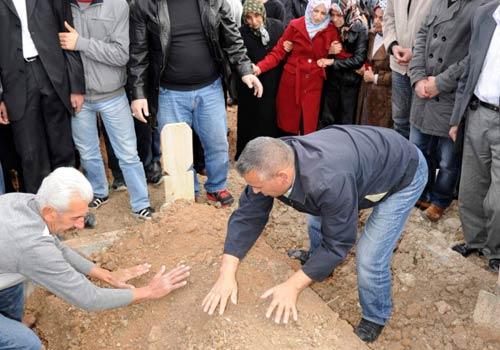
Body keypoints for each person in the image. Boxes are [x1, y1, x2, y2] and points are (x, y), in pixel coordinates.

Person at [202, 126, 427, 343]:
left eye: (259, 187)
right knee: (317, 217)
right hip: (358, 162)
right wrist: (226, 274)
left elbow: (339, 242)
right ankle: (318, 265)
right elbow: (247, 216)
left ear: (282, 177)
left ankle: (375, 315)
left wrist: (292, 286)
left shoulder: (326, 182)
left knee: (369, 255)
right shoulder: (275, 160)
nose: (256, 191)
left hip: (402, 171)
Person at [0, 167, 191, 349]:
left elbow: (56, 247)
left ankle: (11, 325)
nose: (81, 225)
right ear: (50, 213)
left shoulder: (29, 202)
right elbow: (89, 298)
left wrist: (106, 275)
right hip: (17, 257)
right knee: (27, 343)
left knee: (13, 283)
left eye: (83, 216)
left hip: (6, 269)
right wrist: (149, 291)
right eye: (75, 218)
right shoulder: (32, 248)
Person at [128, 0, 263, 208]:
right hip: (169, 92)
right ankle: (186, 193)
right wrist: (138, 94)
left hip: (209, 89)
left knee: (217, 143)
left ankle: (216, 187)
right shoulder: (145, 5)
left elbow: (232, 40)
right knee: (176, 150)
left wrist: (245, 70)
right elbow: (138, 52)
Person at [60, 0, 153, 219]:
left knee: (128, 153)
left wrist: (81, 43)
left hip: (113, 94)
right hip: (78, 96)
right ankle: (98, 191)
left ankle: (141, 202)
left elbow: (121, 55)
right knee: (88, 152)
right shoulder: (62, 6)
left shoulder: (117, 5)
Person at [408, 0, 487, 222]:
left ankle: (440, 199)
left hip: (450, 95)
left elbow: (474, 55)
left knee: (447, 159)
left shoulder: (480, 6)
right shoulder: (437, 2)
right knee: (419, 149)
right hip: (423, 91)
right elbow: (422, 36)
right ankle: (421, 191)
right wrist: (418, 78)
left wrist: (440, 83)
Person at [0, 0, 85, 193]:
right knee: (31, 155)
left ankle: (71, 204)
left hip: (53, 74)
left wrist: (76, 86)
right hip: (15, 84)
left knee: (62, 147)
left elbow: (68, 33)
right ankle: (39, 214)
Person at [449, 2, 500, 273]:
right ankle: (475, 240)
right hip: (478, 111)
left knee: (497, 197)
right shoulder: (484, 14)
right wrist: (457, 117)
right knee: (470, 185)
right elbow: (470, 69)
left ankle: (496, 250)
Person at [253, 0, 345, 135]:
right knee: (287, 127)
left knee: (308, 127)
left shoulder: (330, 30)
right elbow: (278, 52)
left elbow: (343, 54)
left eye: (323, 13)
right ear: (310, 8)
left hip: (314, 84)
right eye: (315, 11)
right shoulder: (295, 25)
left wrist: (330, 53)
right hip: (291, 82)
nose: (318, 16)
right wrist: (259, 68)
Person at [236, 1, 285, 159]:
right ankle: (247, 154)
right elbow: (237, 57)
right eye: (248, 17)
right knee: (250, 117)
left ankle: (270, 154)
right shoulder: (241, 33)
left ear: (263, 14)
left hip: (273, 80)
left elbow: (282, 51)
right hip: (250, 84)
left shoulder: (277, 27)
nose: (254, 21)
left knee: (270, 116)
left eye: (257, 16)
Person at [383, 0, 432, 139]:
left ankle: (418, 159)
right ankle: (402, 156)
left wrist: (415, 52)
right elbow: (389, 17)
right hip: (398, 66)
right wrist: (393, 45)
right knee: (399, 120)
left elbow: (438, 29)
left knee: (419, 126)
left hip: (423, 69)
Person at [320, 0, 368, 127]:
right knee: (327, 120)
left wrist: (333, 62)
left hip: (349, 83)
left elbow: (359, 60)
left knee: (345, 123)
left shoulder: (360, 27)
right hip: (332, 81)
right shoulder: (328, 26)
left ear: (347, 12)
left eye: (339, 15)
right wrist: (328, 51)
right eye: (332, 14)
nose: (335, 19)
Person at [356, 2, 392, 127]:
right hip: (366, 93)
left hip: (384, 99)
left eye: (381, 18)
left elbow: (398, 75)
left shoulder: (395, 41)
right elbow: (370, 60)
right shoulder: (372, 35)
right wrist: (365, 67)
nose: (377, 21)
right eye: (375, 17)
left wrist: (375, 78)